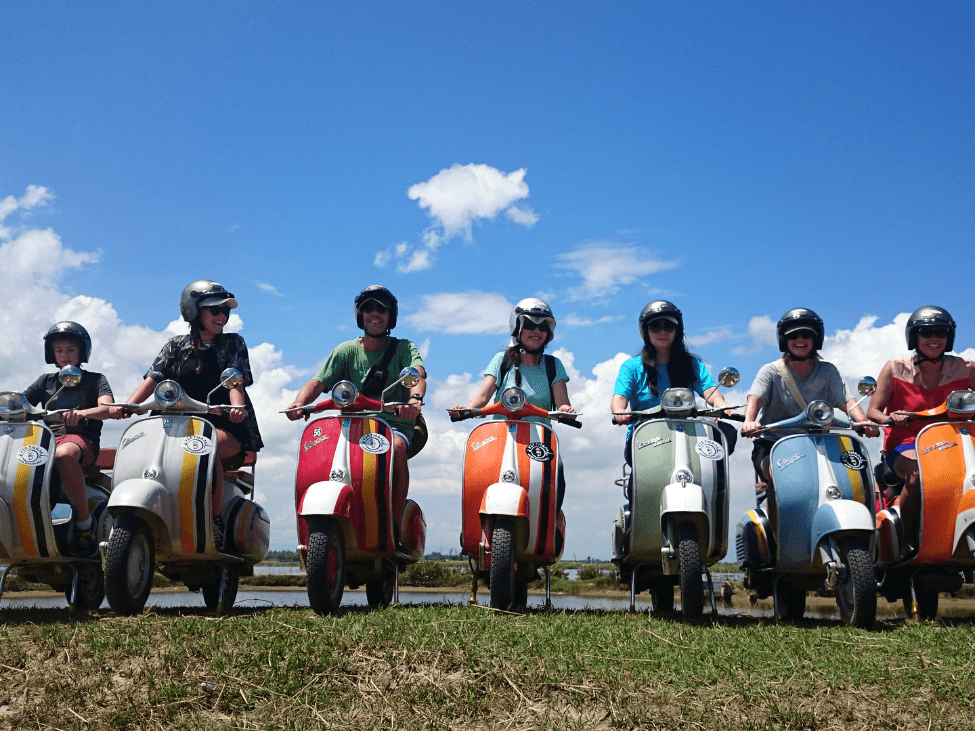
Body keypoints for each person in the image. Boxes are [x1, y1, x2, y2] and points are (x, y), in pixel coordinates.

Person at [110, 280, 263, 544]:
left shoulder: (232, 343)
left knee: (205, 446)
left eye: (226, 311)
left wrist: (237, 407)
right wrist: (128, 405)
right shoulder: (175, 346)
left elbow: (234, 380)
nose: (222, 316)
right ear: (194, 311)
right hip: (172, 425)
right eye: (215, 310)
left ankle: (213, 521)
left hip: (221, 424)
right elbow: (153, 379)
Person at [285, 285, 426, 538]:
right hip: (351, 427)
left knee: (396, 449)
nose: (375, 314)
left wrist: (414, 401)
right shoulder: (345, 351)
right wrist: (299, 402)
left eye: (381, 309)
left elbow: (417, 375)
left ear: (390, 316)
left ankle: (392, 525)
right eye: (368, 309)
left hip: (392, 423)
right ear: (359, 315)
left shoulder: (403, 347)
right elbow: (319, 382)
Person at [741, 308, 877, 524]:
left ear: (817, 339)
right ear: (783, 340)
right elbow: (755, 397)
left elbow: (847, 401)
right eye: (793, 335)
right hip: (775, 444)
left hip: (823, 445)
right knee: (779, 478)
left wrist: (863, 421)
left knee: (858, 477)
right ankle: (779, 542)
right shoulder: (771, 371)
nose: (800, 340)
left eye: (807, 335)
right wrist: (749, 421)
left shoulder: (828, 371)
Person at [450, 298, 576, 507]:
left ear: (549, 332)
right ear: (517, 327)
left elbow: (562, 402)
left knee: (556, 473)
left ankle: (551, 522)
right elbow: (483, 396)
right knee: (477, 475)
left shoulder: (554, 365)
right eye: (529, 325)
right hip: (500, 436)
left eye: (542, 326)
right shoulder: (502, 360)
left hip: (539, 442)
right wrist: (467, 409)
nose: (536, 331)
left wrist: (565, 410)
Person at [866, 306, 975, 547]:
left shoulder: (965, 367)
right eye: (926, 333)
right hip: (905, 444)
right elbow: (872, 411)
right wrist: (890, 417)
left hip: (954, 442)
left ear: (949, 338)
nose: (934, 339)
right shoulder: (895, 367)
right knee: (916, 477)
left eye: (941, 333)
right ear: (914, 337)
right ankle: (909, 542)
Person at [23, 322, 114, 556]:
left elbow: (108, 408)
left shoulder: (95, 379)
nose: (64, 355)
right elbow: (22, 403)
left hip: (80, 440)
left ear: (82, 352)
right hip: (46, 441)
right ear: (51, 354)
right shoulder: (45, 382)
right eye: (59, 350)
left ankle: (85, 525)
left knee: (64, 455)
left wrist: (82, 414)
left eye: (70, 349)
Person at [611, 300, 733, 462]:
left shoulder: (692, 364)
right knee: (643, 479)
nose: (662, 331)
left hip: (687, 436)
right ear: (645, 331)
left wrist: (719, 403)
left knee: (725, 436)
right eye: (655, 326)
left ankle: (717, 487)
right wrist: (620, 411)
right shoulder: (631, 367)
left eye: (668, 326)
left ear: (678, 330)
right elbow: (618, 399)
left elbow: (709, 390)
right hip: (645, 439)